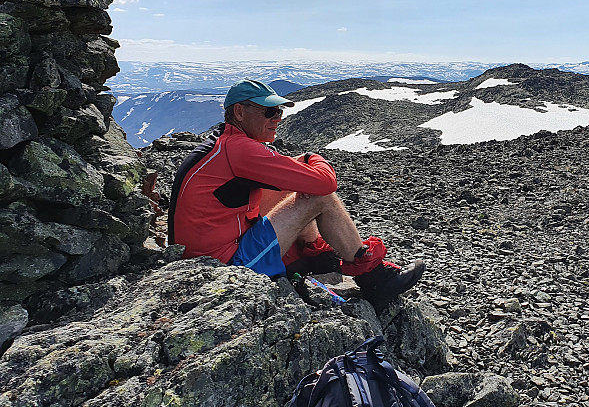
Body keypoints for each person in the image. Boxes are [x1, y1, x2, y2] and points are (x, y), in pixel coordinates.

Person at [167, 79, 423, 308]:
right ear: (239, 112)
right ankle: (374, 277)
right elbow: (325, 184)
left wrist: (298, 166)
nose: (277, 118)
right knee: (318, 197)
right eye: (269, 112)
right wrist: (312, 157)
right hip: (224, 265)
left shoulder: (224, 143)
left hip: (203, 255)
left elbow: (286, 175)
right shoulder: (240, 149)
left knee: (290, 185)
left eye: (278, 111)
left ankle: (315, 252)